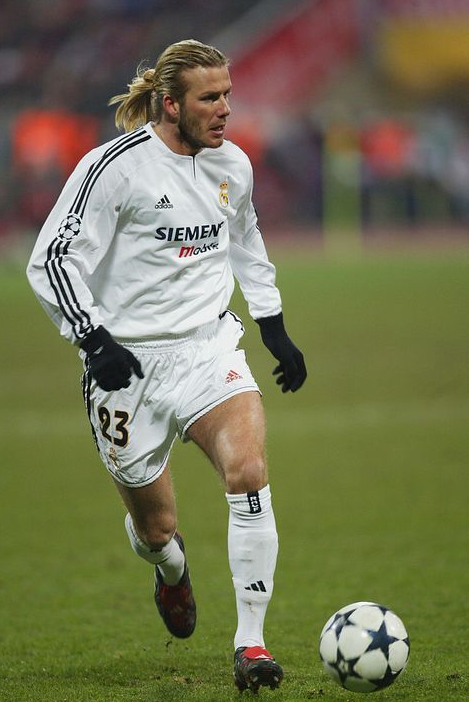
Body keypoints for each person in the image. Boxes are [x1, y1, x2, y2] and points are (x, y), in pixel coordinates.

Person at [26, 39, 306, 693]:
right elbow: (53, 258)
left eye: (228, 96)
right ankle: (171, 569)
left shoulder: (232, 164)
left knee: (249, 470)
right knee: (157, 528)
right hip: (126, 367)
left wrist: (273, 326)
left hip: (209, 350)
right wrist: (94, 339)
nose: (225, 110)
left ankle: (251, 643)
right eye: (211, 98)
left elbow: (247, 242)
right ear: (171, 103)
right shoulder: (115, 168)